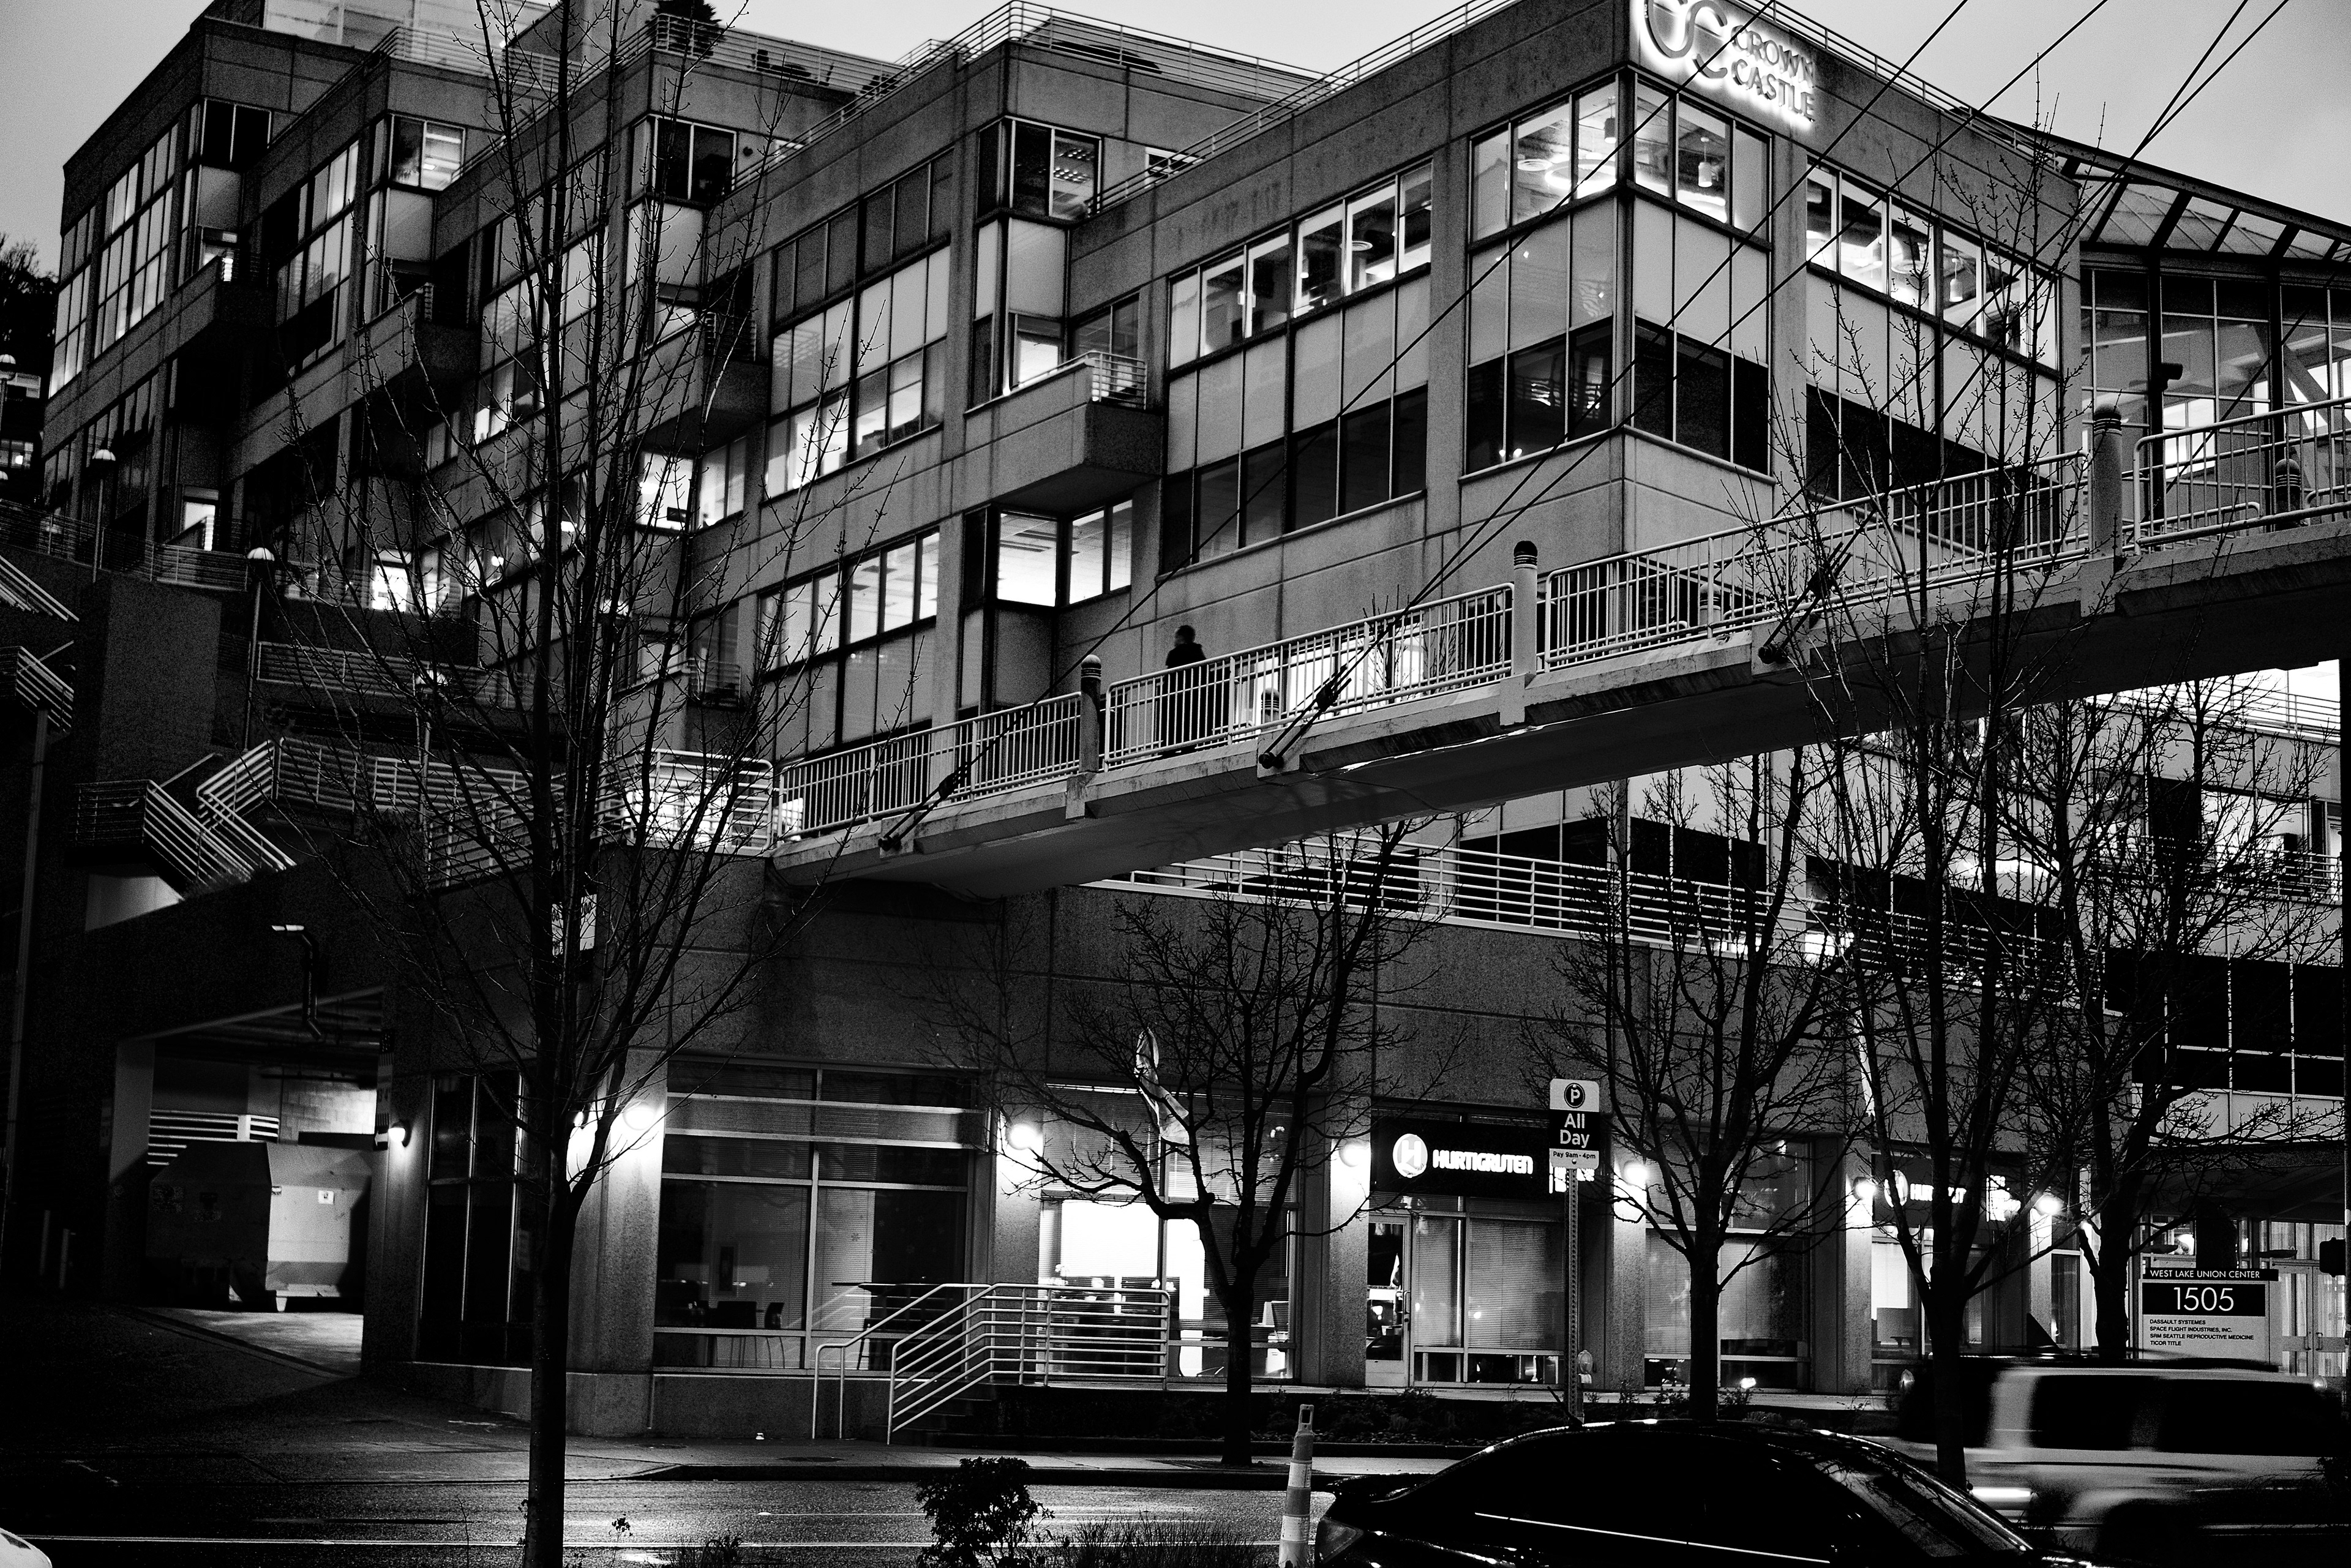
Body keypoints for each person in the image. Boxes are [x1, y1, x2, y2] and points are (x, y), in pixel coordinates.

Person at [1161, 625, 1211, 749]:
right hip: (1196, 697)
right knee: (1193, 723)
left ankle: (1171, 748)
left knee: (1175, 724)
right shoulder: (1198, 653)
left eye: (1176, 637)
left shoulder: (1175, 654)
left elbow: (1170, 677)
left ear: (1180, 637)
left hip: (1178, 697)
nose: (1174, 640)